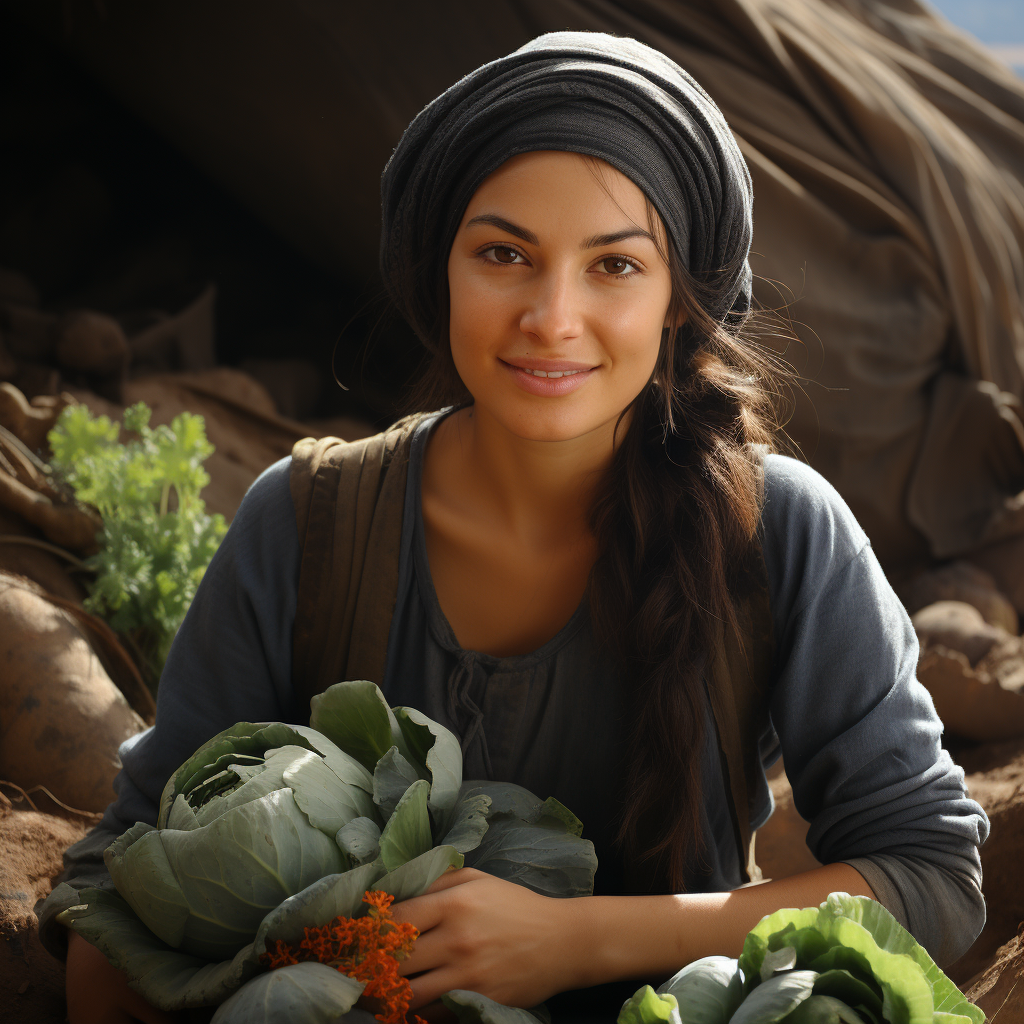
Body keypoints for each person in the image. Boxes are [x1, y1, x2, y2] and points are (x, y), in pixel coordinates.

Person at [45, 32, 987, 1024]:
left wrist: (575, 939)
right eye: (503, 253)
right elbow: (122, 881)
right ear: (438, 270)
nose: (551, 314)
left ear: (679, 304)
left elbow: (928, 878)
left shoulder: (782, 533)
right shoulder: (303, 526)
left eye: (615, 265)